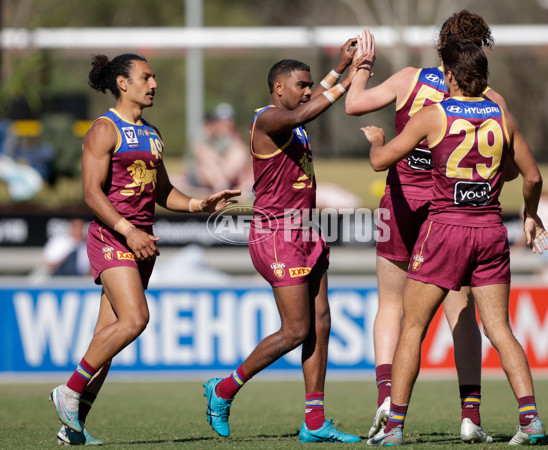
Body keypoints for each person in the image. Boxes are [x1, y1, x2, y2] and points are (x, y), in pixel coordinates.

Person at [361, 39, 548, 446]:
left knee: (413, 326)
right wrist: (531, 214)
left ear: (449, 74)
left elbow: (381, 161)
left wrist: (377, 139)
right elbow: (531, 177)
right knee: (499, 328)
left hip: (445, 229)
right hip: (490, 231)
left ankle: (393, 426)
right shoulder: (502, 116)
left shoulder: (434, 115)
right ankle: (531, 420)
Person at [48, 53, 240, 446]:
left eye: (154, 78)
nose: (154, 84)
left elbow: (164, 191)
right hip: (113, 238)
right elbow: (90, 193)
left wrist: (201, 204)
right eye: (146, 77)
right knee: (136, 320)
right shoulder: (104, 129)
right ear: (122, 83)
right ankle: (68, 391)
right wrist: (127, 231)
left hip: (142, 244)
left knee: (107, 337)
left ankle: (74, 426)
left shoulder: (152, 133)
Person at [345, 11, 512, 443]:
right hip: (451, 213)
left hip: (402, 200)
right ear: (479, 50)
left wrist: (362, 67)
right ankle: (470, 416)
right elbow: (511, 165)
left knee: (392, 305)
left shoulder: (408, 79)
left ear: (441, 47)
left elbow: (352, 104)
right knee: (462, 313)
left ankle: (387, 400)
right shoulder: (491, 100)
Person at [203, 39, 365, 443]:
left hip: (306, 230)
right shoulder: (269, 120)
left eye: (311, 84)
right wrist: (352, 77)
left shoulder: (290, 114)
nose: (307, 91)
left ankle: (314, 422)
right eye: (301, 85)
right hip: (277, 234)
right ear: (278, 89)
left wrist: (340, 65)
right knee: (295, 330)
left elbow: (308, 104)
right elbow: (310, 109)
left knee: (320, 323)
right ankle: (223, 390)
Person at [190, 102, 253, 193]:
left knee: (239, 152)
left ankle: (226, 186)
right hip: (201, 174)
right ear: (215, 121)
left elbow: (243, 157)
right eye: (224, 121)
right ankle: (222, 186)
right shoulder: (204, 132)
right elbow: (199, 152)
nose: (227, 125)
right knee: (206, 155)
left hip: (223, 172)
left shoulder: (231, 136)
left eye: (230, 121)